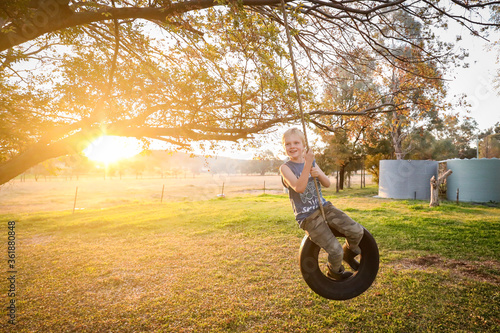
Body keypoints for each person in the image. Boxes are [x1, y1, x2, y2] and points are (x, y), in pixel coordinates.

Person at [280, 128, 364, 280]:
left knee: (356, 231)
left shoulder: (311, 162)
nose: (292, 146)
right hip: (308, 216)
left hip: (324, 207)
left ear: (304, 146)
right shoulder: (285, 168)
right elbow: (299, 188)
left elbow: (327, 183)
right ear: (284, 147)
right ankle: (334, 272)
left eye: (296, 143)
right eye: (288, 144)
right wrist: (307, 166)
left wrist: (317, 173)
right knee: (335, 250)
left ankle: (349, 253)